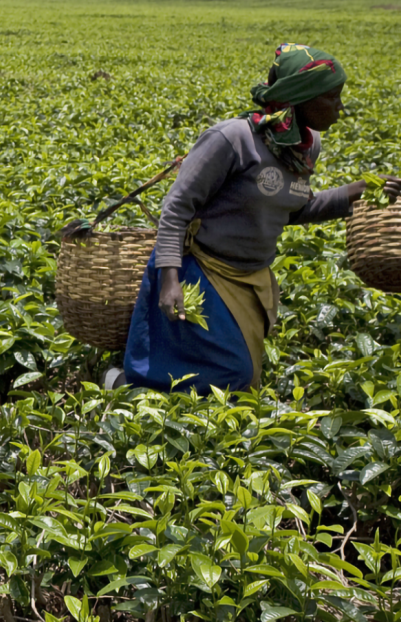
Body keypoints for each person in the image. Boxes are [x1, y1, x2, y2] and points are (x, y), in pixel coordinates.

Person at [123, 43, 400, 392]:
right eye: (331, 97)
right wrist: (169, 280)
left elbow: (294, 209)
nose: (340, 107)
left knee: (240, 378)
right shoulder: (232, 139)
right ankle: (124, 388)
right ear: (300, 98)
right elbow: (176, 209)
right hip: (203, 269)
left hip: (250, 276)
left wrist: (355, 192)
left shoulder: (305, 146)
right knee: (229, 374)